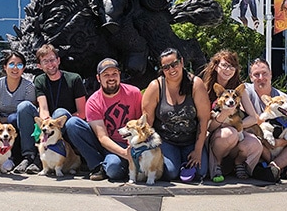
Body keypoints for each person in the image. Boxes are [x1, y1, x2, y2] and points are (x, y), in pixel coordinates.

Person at [15, 44, 103, 178]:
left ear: (58, 60)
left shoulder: (74, 79)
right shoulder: (39, 80)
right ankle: (29, 156)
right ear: (40, 66)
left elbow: (82, 112)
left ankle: (43, 158)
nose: (50, 64)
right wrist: (47, 123)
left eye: (52, 59)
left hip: (66, 123)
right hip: (49, 124)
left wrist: (57, 122)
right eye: (45, 61)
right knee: (24, 107)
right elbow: (43, 108)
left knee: (60, 112)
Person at [141, 48, 210, 182]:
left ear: (182, 62)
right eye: (166, 67)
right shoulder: (155, 87)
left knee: (200, 173)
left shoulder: (195, 84)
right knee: (171, 173)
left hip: (191, 140)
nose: (171, 69)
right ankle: (177, 165)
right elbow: (147, 122)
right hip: (165, 140)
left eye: (174, 64)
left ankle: (185, 163)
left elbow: (203, 119)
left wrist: (197, 151)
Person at [201, 50, 263, 182]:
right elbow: (208, 128)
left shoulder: (238, 90)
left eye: (232, 66)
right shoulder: (205, 88)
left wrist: (236, 124)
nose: (228, 69)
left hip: (234, 129)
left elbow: (253, 117)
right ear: (216, 66)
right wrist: (224, 117)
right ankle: (216, 165)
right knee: (229, 134)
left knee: (254, 143)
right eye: (224, 65)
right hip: (214, 134)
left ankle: (239, 163)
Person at [86, 58, 143, 181]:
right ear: (98, 78)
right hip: (111, 144)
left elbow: (141, 125)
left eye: (114, 74)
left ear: (119, 75)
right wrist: (125, 154)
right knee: (114, 171)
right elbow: (102, 137)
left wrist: (135, 149)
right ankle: (103, 164)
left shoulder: (134, 93)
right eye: (106, 75)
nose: (111, 78)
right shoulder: (93, 102)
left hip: (133, 142)